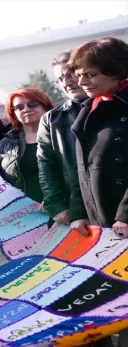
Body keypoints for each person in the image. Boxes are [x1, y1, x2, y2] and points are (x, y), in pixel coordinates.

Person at [68, 37, 128, 240]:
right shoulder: (89, 108)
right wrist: (78, 212)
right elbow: (80, 167)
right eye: (79, 75)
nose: (82, 82)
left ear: (117, 70)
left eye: (90, 75)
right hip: (99, 223)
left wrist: (126, 214)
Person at [37, 50, 89, 225]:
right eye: (60, 79)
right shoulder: (51, 119)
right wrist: (58, 207)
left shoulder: (114, 107)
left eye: (70, 75)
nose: (66, 83)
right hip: (73, 211)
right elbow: (46, 165)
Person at [0, 88, 54, 203]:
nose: (26, 109)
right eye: (19, 107)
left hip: (64, 210)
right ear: (14, 114)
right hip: (26, 214)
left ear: (45, 106)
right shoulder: (5, 144)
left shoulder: (63, 134)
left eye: (33, 104)